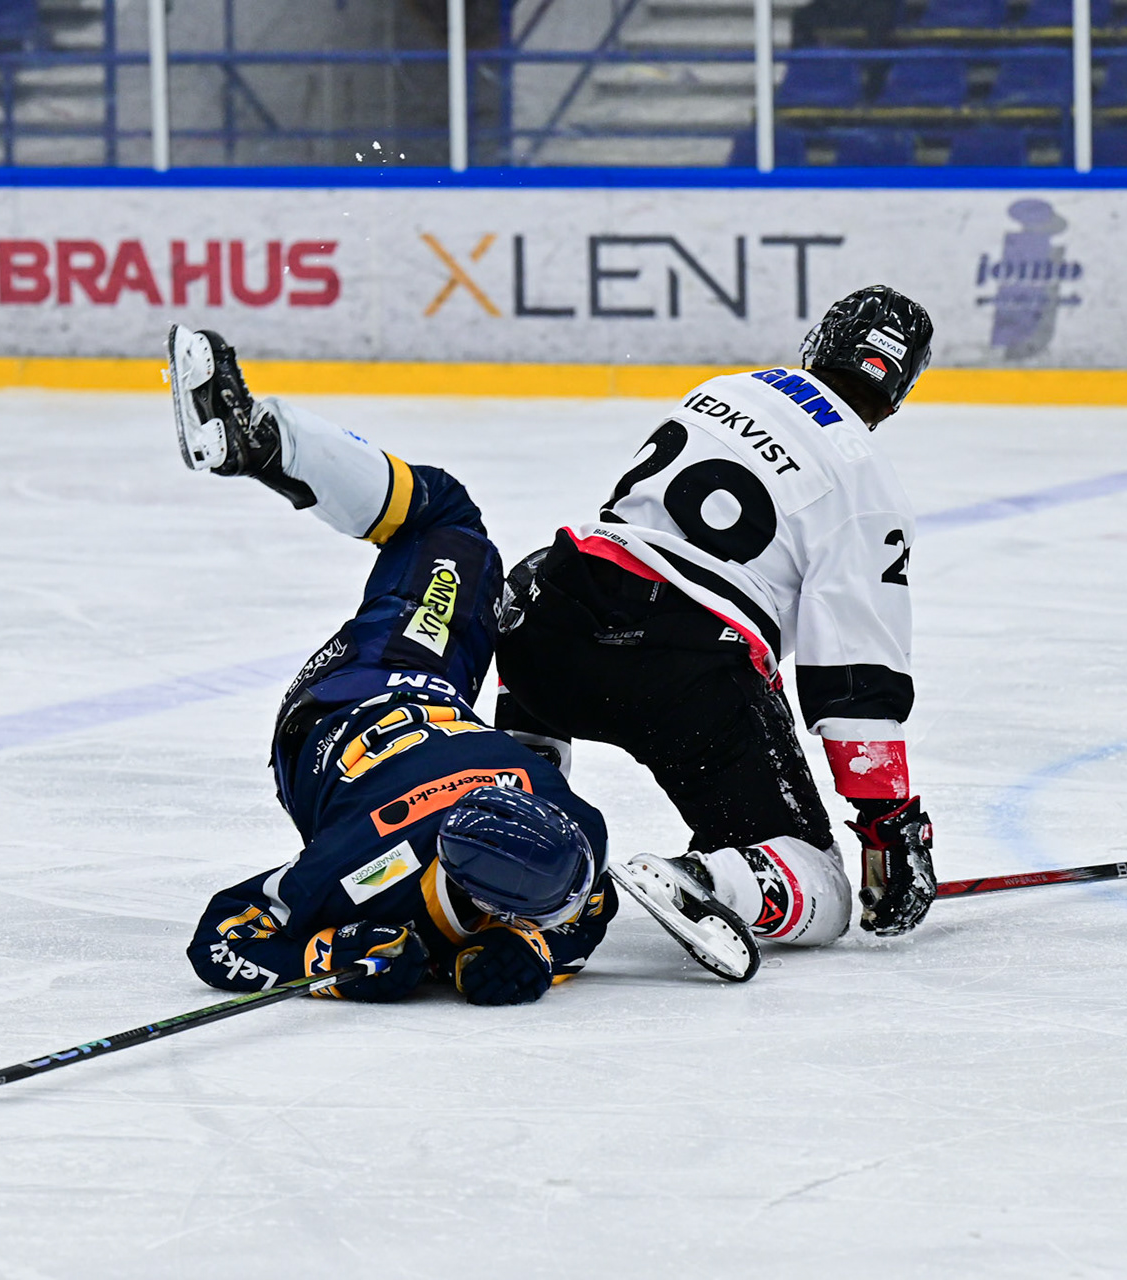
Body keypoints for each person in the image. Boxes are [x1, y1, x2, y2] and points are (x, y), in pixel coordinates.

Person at [167, 326, 616, 1006]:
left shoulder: (575, 828)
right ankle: (257, 441)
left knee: (448, 525)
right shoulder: (357, 869)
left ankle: (270, 441)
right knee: (447, 522)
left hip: (392, 692)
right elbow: (223, 936)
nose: (573, 907)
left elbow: (594, 903)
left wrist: (533, 947)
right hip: (366, 707)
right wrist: (327, 955)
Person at [494, 285, 938, 949]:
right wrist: (889, 822)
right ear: (899, 390)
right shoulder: (867, 485)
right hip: (677, 674)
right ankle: (704, 880)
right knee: (821, 886)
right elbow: (856, 679)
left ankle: (517, 810)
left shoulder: (728, 390)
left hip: (546, 629)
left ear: (821, 344)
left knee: (559, 588)